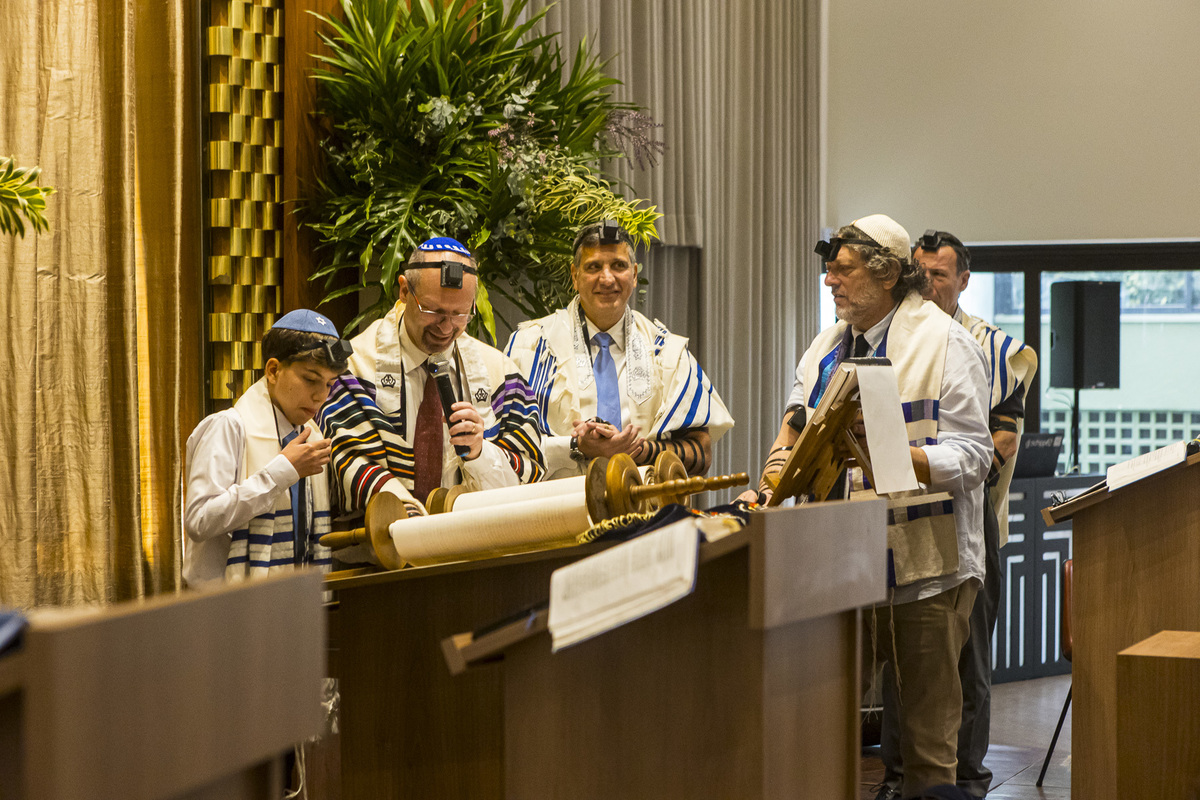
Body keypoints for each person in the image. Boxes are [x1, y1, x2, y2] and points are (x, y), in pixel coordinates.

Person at [741, 214, 993, 798]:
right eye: (828, 270)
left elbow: (975, 457)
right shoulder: (826, 346)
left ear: (886, 275)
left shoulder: (947, 344)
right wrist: (770, 480)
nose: (829, 280)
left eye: (843, 270)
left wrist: (900, 455)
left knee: (927, 744)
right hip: (836, 565)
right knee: (819, 729)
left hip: (927, 570)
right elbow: (795, 422)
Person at [874, 230, 1038, 800]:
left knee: (965, 657)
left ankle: (964, 778)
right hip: (897, 517)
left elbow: (999, 442)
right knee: (904, 655)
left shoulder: (990, 347)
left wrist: (927, 463)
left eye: (938, 275)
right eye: (919, 273)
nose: (926, 283)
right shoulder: (891, 338)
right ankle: (898, 776)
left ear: (964, 280)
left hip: (970, 513)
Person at [319, 236, 544, 520]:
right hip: (381, 541)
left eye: (460, 314)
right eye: (433, 311)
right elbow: (347, 460)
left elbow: (529, 473)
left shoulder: (500, 374)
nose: (446, 327)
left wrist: (480, 453)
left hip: (475, 538)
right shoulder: (355, 369)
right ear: (404, 290)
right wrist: (411, 518)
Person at [504, 220, 733, 479]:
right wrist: (575, 446)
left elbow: (701, 455)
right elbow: (503, 448)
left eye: (618, 266)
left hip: (643, 501)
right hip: (558, 502)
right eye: (593, 267)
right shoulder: (530, 346)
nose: (607, 278)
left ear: (634, 275)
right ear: (575, 276)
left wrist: (638, 450)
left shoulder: (667, 352)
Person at [183, 309, 353, 586]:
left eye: (329, 384)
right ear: (273, 370)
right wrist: (280, 473)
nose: (320, 396)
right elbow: (199, 521)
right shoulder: (228, 426)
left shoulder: (312, 437)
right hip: (227, 603)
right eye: (310, 379)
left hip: (295, 597)